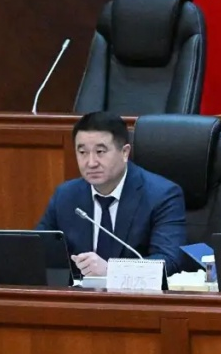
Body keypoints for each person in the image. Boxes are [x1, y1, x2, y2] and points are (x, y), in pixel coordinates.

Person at [37, 111, 187, 277]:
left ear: (124, 152)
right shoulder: (65, 196)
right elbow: (37, 250)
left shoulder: (162, 195)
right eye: (83, 152)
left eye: (100, 152)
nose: (91, 163)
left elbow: (169, 261)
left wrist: (111, 270)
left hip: (133, 292)